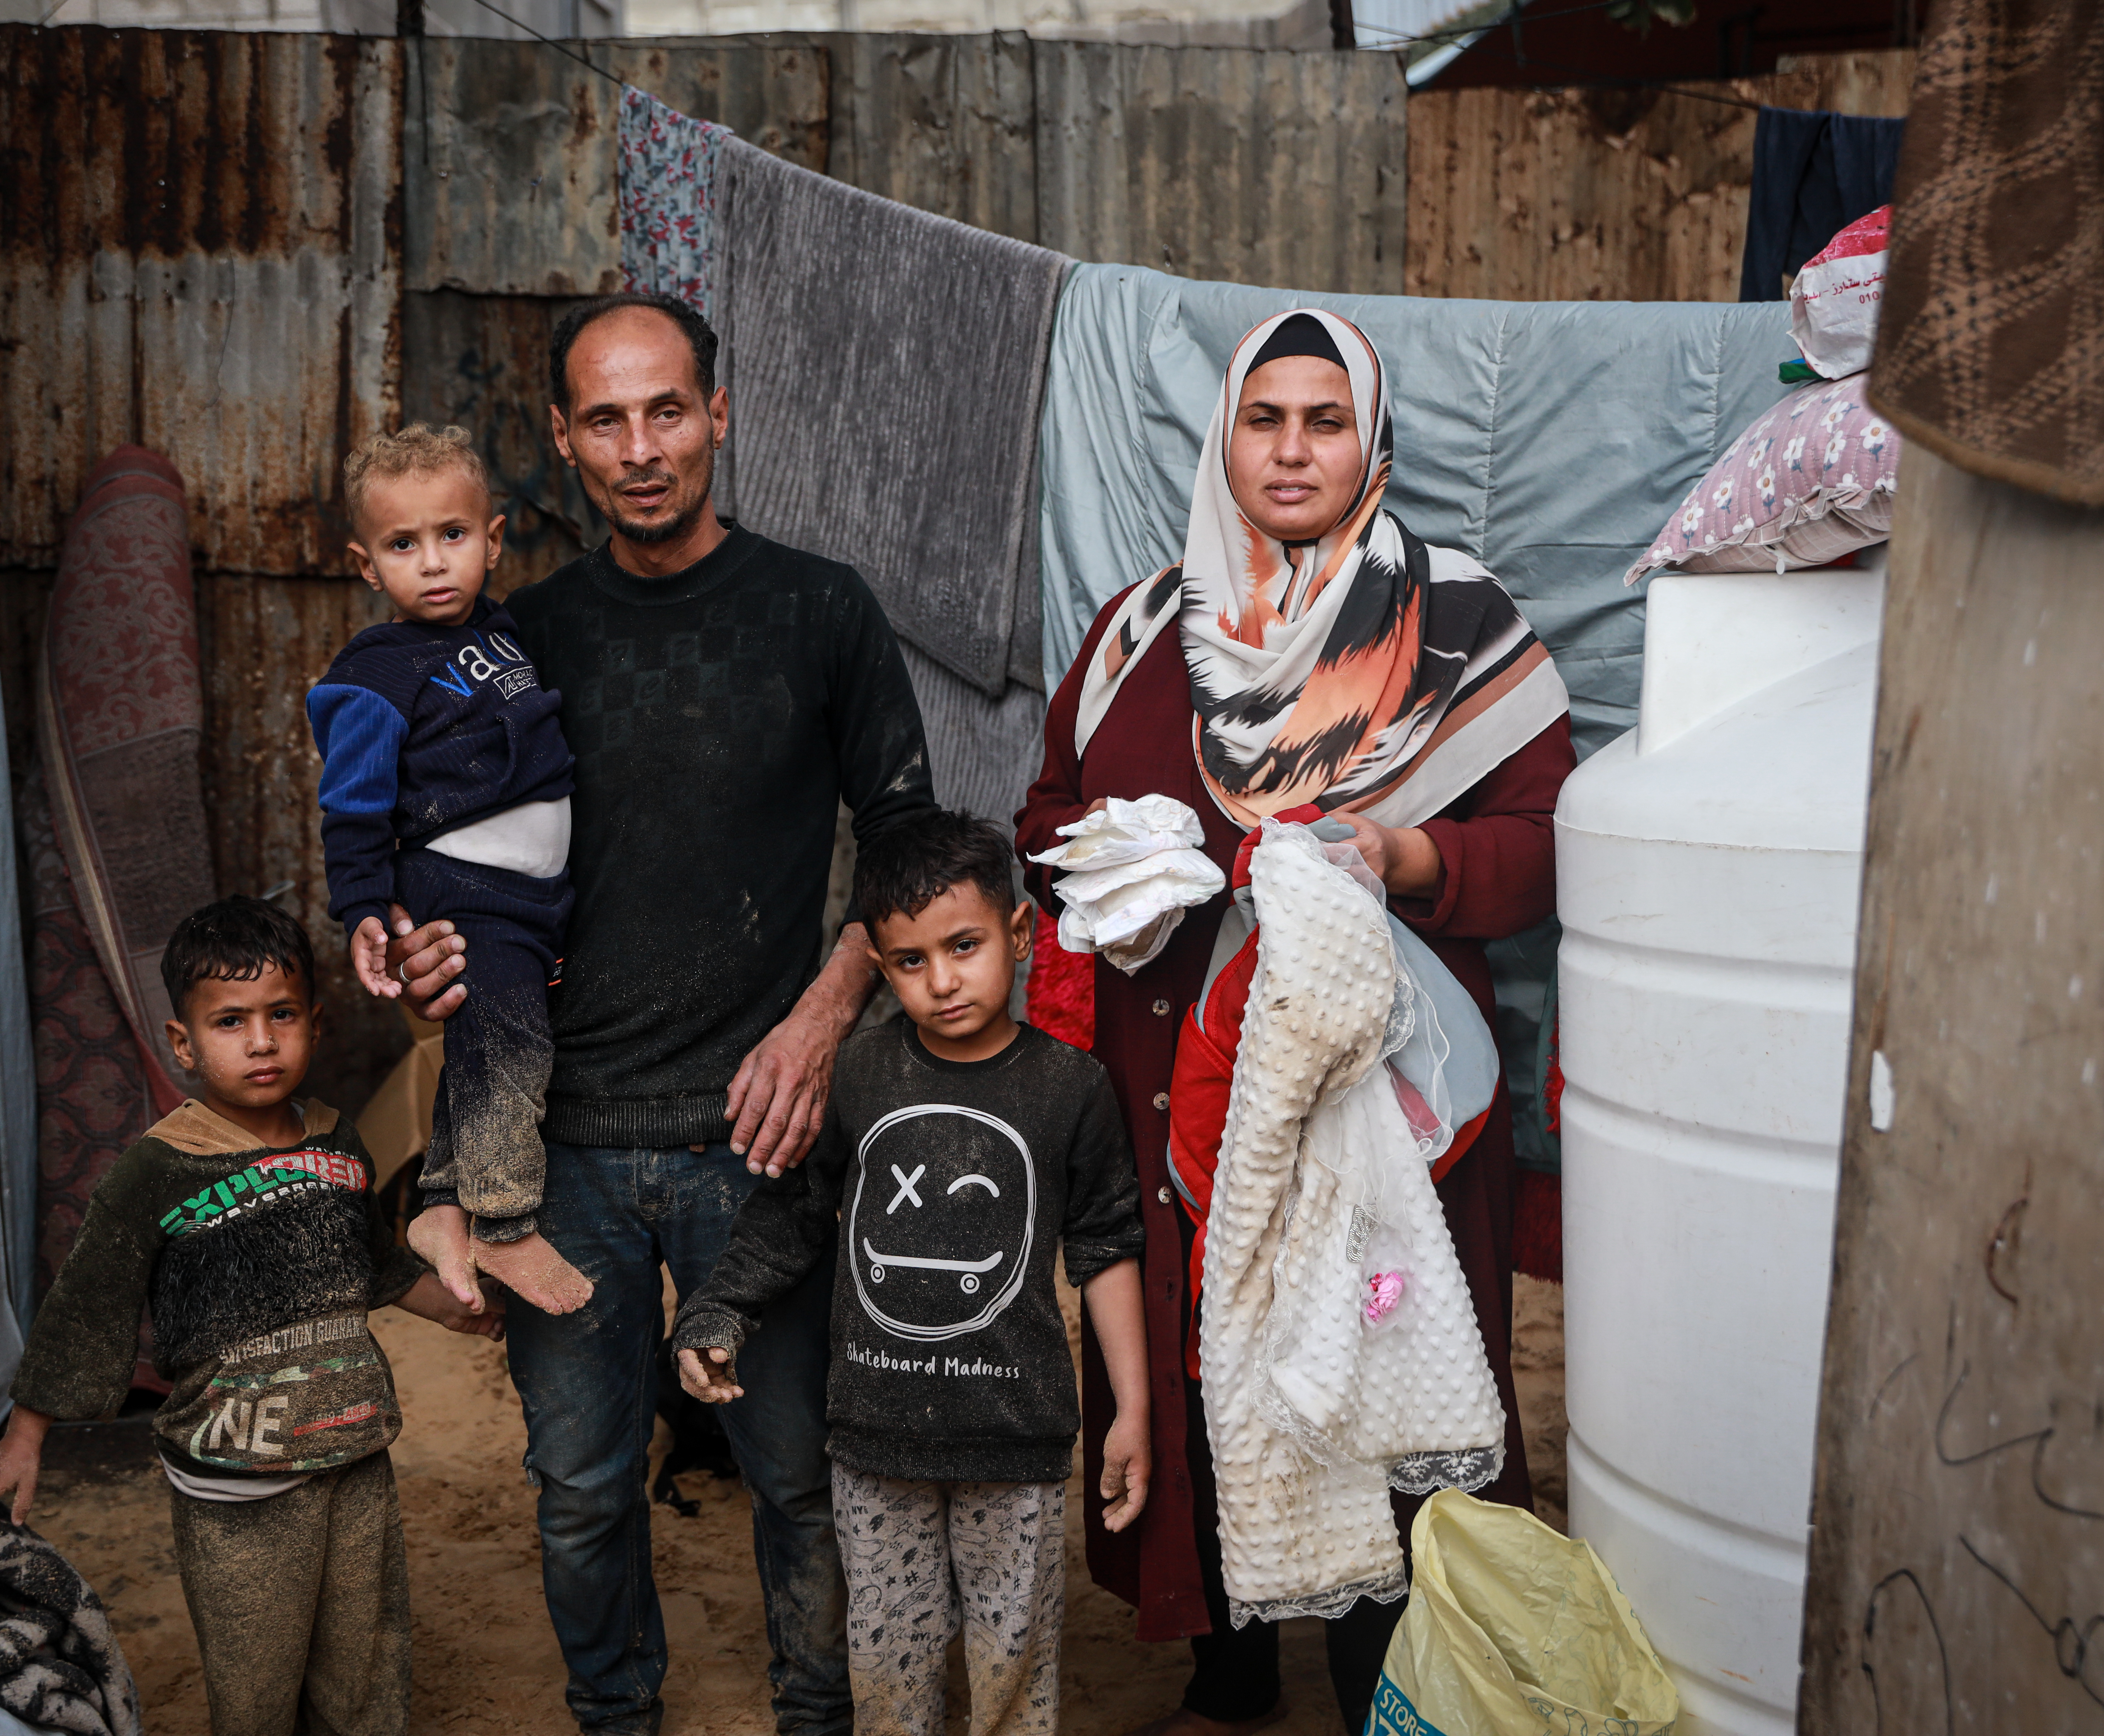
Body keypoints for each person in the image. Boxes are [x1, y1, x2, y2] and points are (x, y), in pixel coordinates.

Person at [1014, 308, 1576, 1735]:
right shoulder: (1146, 629)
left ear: (1370, 440)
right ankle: (1229, 1664)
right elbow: (1043, 818)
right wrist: (1113, 866)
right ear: (1227, 437)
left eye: (1325, 421)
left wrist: (1410, 862)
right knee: (1210, 1361)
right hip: (1177, 1097)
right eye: (1265, 418)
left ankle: (1395, 1673)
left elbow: (1548, 839)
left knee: (1389, 1366)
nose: (1292, 449)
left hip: (1386, 1105)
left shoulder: (1458, 625)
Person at [387, 290, 936, 1736]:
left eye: (669, 409)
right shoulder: (522, 642)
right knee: (577, 1488)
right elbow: (458, 857)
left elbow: (906, 847)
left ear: (720, 413)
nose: (643, 447)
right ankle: (616, 1713)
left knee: (799, 1480)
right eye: (607, 419)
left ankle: (820, 1718)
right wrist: (420, 947)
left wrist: (823, 1015)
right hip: (562, 1150)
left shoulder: (823, 611)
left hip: (763, 1145)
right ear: (562, 441)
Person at [0, 896, 500, 1736]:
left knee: (366, 1672)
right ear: (184, 1043)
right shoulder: (158, 1167)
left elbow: (374, 1267)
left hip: (353, 1455)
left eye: (281, 1015)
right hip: (238, 1484)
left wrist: (465, 1311)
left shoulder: (339, 1142)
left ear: (316, 1021)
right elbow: (87, 1304)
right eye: (231, 1021)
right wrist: (23, 1439)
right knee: (257, 1682)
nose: (262, 1041)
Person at [673, 810, 1152, 1736]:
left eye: (964, 946)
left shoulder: (1072, 1089)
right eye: (908, 960)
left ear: (1019, 933)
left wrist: (1129, 1408)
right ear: (881, 965)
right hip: (875, 1443)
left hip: (1017, 1444)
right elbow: (793, 1216)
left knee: (1015, 1669)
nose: (941, 981)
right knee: (890, 1668)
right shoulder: (857, 1078)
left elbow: (1105, 1249)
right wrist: (718, 1308)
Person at [308, 423, 589, 1315]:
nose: (433, 563)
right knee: (510, 1038)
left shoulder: (504, 633)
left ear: (494, 539)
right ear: (366, 563)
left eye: (453, 536)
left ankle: (439, 1204)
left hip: (536, 896)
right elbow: (351, 807)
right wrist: (362, 910)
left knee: (485, 1039)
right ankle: (506, 1225)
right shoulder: (374, 676)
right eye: (403, 544)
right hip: (463, 889)